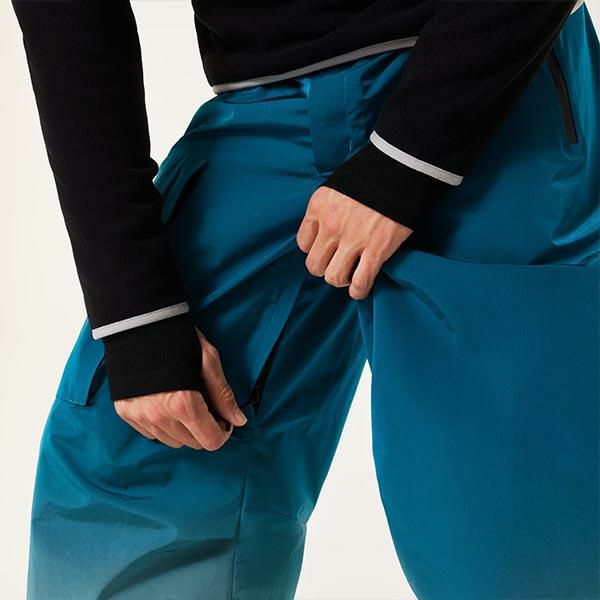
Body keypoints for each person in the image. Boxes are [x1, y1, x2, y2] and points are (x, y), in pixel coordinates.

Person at [12, 1, 598, 598]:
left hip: (489, 74)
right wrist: (134, 310)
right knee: (137, 469)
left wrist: (406, 159)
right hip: (263, 100)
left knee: (512, 524)